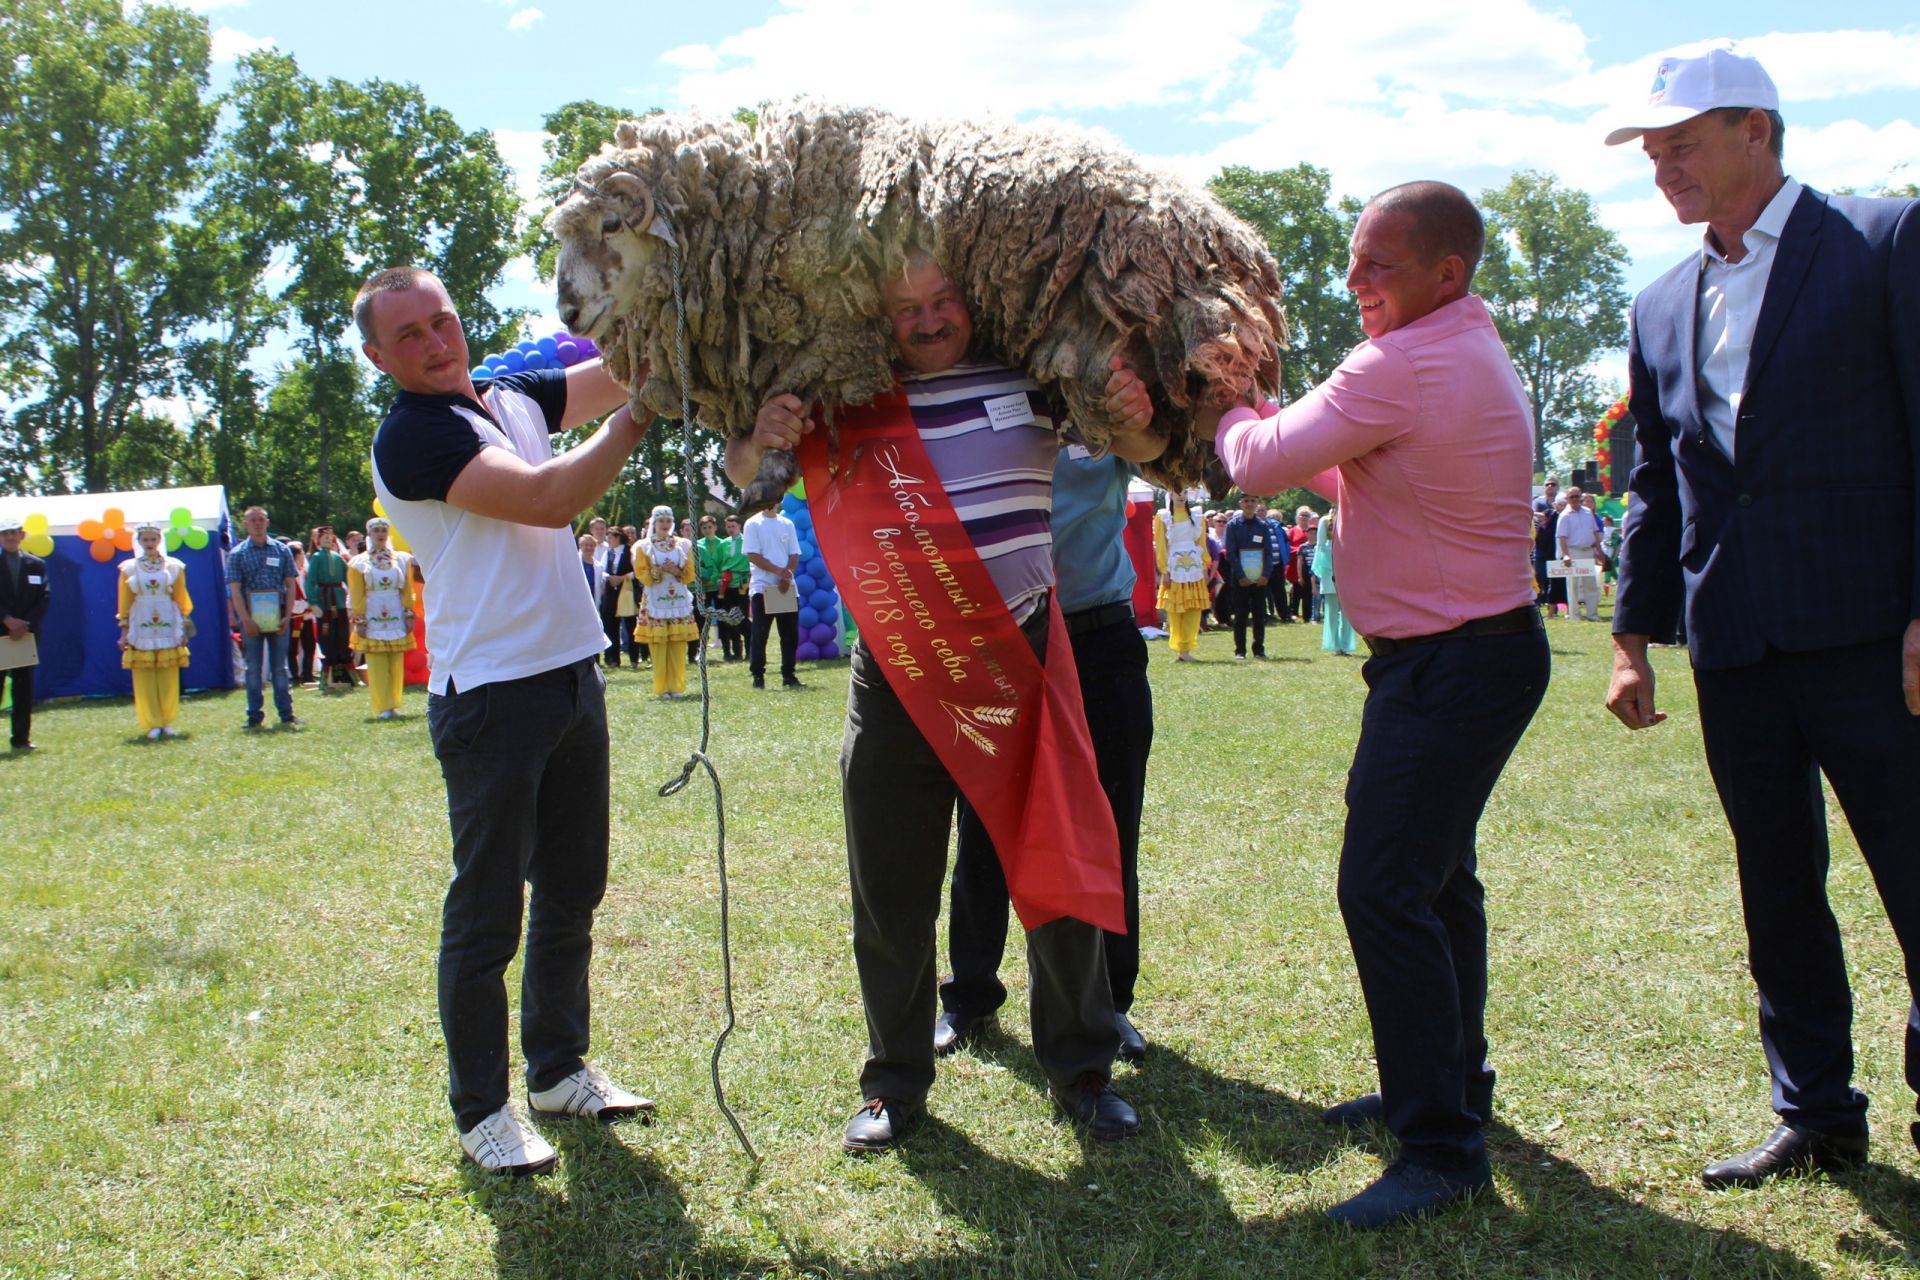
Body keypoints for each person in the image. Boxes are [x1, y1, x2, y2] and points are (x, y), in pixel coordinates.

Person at [729, 251, 1162, 1152]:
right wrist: (760, 433)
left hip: (1029, 654)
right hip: (894, 673)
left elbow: (1149, 450)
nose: (926, 322)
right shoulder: (845, 399)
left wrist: (1132, 404)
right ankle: (893, 1082)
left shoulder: (1037, 379)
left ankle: (1083, 1067)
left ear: (976, 301)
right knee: (891, 884)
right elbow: (744, 477)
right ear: (876, 316)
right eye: (905, 308)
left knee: (1060, 864)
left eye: (942, 302)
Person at [1196, 180, 1547, 1228]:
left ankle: (1440, 1145)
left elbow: (1256, 461)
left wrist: (1229, 397)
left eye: (1378, 264)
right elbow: (1367, 482)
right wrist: (1293, 430)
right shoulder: (1461, 350)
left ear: (1449, 271)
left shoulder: (1403, 360)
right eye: (1354, 261)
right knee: (1438, 884)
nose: (1355, 282)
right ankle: (1446, 1089)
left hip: (1448, 665)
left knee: (1384, 887)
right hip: (1471, 658)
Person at [1601, 45, 1920, 1189]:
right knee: (1777, 886)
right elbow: (1659, 486)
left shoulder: (1886, 242)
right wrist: (1633, 637)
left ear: (1759, 132)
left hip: (1875, 637)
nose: (1661, 167)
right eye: (1651, 150)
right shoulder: (1659, 301)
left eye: (1681, 143)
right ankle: (1817, 1111)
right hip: (1736, 642)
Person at [358, 264, 654, 1176]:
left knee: (573, 892)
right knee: (488, 916)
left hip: (572, 678)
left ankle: (559, 1071)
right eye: (408, 335)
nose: (436, 341)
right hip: (490, 698)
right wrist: (642, 414)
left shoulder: (510, 391)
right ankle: (482, 1110)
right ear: (378, 356)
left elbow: (623, 371)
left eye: (441, 321)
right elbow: (549, 498)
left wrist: (678, 334)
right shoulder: (411, 436)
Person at [938, 444, 1158, 1068]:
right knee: (981, 825)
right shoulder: (997, 399)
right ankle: (970, 996)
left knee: (1111, 831)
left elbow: (1181, 458)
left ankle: (1111, 1002)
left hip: (1099, 641)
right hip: (1002, 642)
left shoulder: (1113, 411)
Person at [116, 522, 194, 739]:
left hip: (167, 620)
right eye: (145, 540)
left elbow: (181, 597)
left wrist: (185, 627)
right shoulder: (129, 568)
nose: (149, 544)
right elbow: (124, 601)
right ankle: (152, 721)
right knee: (144, 673)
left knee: (168, 671)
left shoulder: (174, 566)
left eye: (153, 539)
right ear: (139, 542)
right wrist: (123, 630)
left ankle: (167, 719)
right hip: (141, 621)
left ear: (160, 540)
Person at [227, 507, 300, 730]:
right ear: (245, 524)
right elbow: (235, 590)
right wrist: (245, 620)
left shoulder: (282, 550)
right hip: (250, 616)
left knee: (280, 667)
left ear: (267, 522)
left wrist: (288, 615)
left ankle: (287, 714)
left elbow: (290, 585)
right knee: (253, 668)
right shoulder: (237, 553)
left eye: (261, 519)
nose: (257, 524)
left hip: (278, 615)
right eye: (252, 520)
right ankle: (254, 716)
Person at [348, 517, 418, 720]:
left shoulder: (402, 560)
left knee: (395, 662)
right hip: (373, 612)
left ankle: (394, 703)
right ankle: (383, 705)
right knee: (377, 663)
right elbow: (356, 592)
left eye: (383, 530)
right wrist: (359, 618)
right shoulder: (359, 563)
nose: (380, 534)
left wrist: (408, 613)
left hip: (395, 612)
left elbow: (406, 589)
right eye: (376, 530)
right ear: (369, 534)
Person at [634, 505, 698, 699]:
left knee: (678, 643)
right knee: (659, 644)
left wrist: (676, 571)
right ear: (654, 522)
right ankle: (662, 687)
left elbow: (690, 574)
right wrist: (659, 571)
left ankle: (676, 686)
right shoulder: (643, 546)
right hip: (655, 598)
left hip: (678, 599)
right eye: (661, 521)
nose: (665, 524)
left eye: (668, 521)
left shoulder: (683, 544)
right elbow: (641, 573)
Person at [0, 514, 50, 751]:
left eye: (13, 532)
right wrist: (7, 620)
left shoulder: (37, 564)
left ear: (22, 535)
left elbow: (44, 597)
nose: (10, 537)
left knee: (23, 687)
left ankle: (21, 739)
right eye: (5, 533)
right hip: (1, 633)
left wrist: (25, 624)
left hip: (26, 636)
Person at [741, 505, 803, 689]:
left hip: (786, 587)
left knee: (790, 635)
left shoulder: (787, 523)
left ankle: (789, 675)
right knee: (760, 634)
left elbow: (794, 553)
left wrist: (787, 575)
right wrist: (777, 571)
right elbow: (752, 555)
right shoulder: (753, 523)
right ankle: (758, 676)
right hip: (763, 587)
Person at [1155, 491, 1210, 662]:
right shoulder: (1163, 517)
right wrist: (1164, 570)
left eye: (1184, 492)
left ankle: (1186, 648)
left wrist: (1205, 564)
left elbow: (1201, 543)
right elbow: (1161, 546)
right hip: (1174, 566)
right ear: (1170, 494)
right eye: (1177, 492)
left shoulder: (1196, 515)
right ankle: (1179, 648)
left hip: (1193, 566)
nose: (1181, 495)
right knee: (1175, 609)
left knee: (1194, 608)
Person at [1221, 492, 1277, 659]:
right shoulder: (1233, 525)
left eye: (1253, 500)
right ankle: (1240, 651)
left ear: (1257, 504)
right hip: (1240, 579)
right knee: (1240, 615)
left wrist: (1265, 575)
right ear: (1240, 503)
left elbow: (1269, 552)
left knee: (1259, 614)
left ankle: (1259, 650)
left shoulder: (1263, 525)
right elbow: (1230, 553)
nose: (1250, 504)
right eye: (1246, 501)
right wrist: (1241, 576)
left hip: (1260, 579)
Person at [306, 526, 351, 693]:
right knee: (326, 634)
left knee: (342, 634)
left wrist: (352, 600)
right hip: (324, 600)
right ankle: (328, 673)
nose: (327, 539)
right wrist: (313, 602)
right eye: (323, 537)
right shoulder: (316, 558)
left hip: (338, 600)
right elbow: (310, 581)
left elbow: (349, 580)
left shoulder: (339, 558)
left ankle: (343, 674)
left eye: (329, 536)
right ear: (317, 540)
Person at [1555, 484, 1604, 621]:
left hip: (1588, 551)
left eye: (1577, 496)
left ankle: (1592, 614)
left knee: (1591, 584)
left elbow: (1594, 533)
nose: (1575, 499)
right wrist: (1565, 554)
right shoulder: (1565, 515)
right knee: (1573, 585)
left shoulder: (1588, 513)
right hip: (1573, 551)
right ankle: (1575, 615)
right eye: (1572, 497)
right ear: (1568, 499)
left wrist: (1599, 552)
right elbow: (1562, 538)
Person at [1312, 507, 1356, 656]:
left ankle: (1345, 644)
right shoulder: (1325, 521)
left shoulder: (1352, 518)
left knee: (1347, 612)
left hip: (1348, 571)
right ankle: (1335, 645)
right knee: (1331, 611)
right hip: (1329, 569)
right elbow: (1321, 547)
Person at [596, 527, 634, 668]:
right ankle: (612, 658)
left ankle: (634, 657)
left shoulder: (629, 551)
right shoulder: (608, 552)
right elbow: (601, 569)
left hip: (627, 591)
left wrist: (622, 578)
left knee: (630, 624)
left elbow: (636, 570)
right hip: (610, 592)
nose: (608, 540)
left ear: (618, 537)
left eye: (611, 537)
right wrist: (610, 577)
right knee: (610, 624)